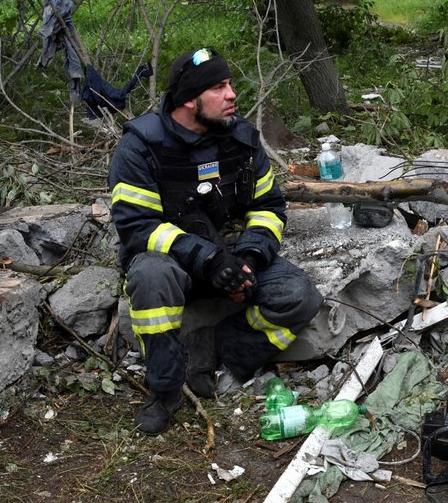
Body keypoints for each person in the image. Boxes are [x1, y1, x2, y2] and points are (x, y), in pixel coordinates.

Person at [108, 47, 323, 435]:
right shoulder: (140, 146)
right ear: (190, 99)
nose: (232, 95)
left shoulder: (239, 140)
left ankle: (216, 353)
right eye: (219, 87)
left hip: (229, 257)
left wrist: (251, 258)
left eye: (230, 84)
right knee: (150, 277)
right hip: (173, 264)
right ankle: (166, 390)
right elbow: (138, 227)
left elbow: (270, 207)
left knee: (299, 295)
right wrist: (208, 259)